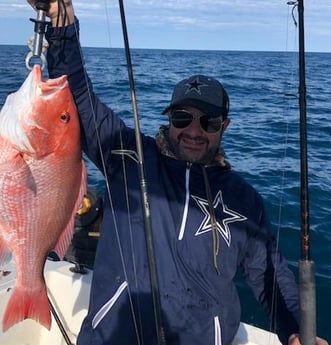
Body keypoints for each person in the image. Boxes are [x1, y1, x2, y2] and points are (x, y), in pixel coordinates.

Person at [27, 1, 329, 345]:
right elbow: (78, 94)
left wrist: (295, 329)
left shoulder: (244, 199)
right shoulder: (127, 154)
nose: (194, 131)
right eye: (182, 118)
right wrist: (60, 20)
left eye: (209, 122)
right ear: (169, 119)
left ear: (224, 126)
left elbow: (270, 278)